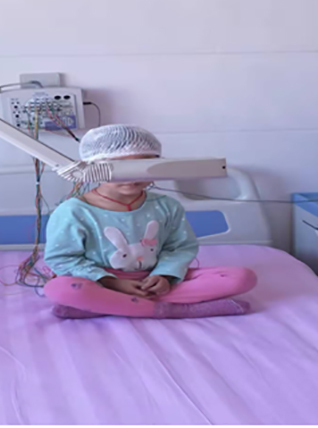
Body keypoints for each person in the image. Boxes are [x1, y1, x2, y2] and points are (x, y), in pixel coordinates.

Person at [43, 124, 257, 319]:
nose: (131, 176)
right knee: (60, 290)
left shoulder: (166, 206)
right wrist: (112, 283)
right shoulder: (73, 211)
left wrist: (164, 275)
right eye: (116, 166)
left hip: (155, 278)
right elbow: (63, 258)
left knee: (241, 278)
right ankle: (173, 310)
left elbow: (180, 248)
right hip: (102, 280)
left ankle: (109, 306)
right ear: (92, 168)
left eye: (142, 165)